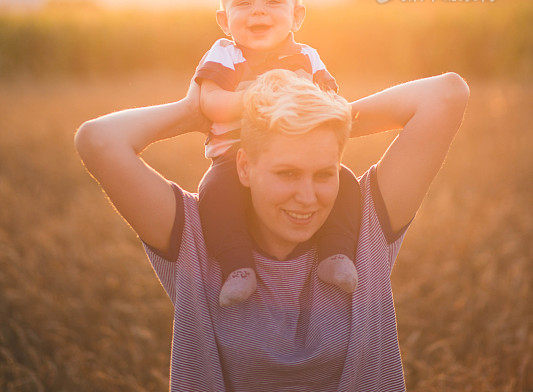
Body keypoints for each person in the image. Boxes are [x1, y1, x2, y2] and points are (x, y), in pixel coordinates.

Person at [75, 64, 470, 392]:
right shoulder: (194, 237)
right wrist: (197, 112)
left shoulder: (364, 227)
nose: (308, 196)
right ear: (245, 167)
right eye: (287, 173)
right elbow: (97, 140)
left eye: (324, 174)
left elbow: (447, 94)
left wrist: (324, 117)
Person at [193, 0, 359, 306]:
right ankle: (236, 266)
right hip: (232, 156)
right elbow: (210, 102)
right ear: (224, 19)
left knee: (345, 183)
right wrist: (262, 95)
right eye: (244, 3)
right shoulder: (225, 54)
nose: (258, 11)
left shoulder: (306, 57)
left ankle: (336, 254)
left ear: (297, 15)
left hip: (295, 150)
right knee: (215, 195)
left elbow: (328, 98)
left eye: (272, 1)